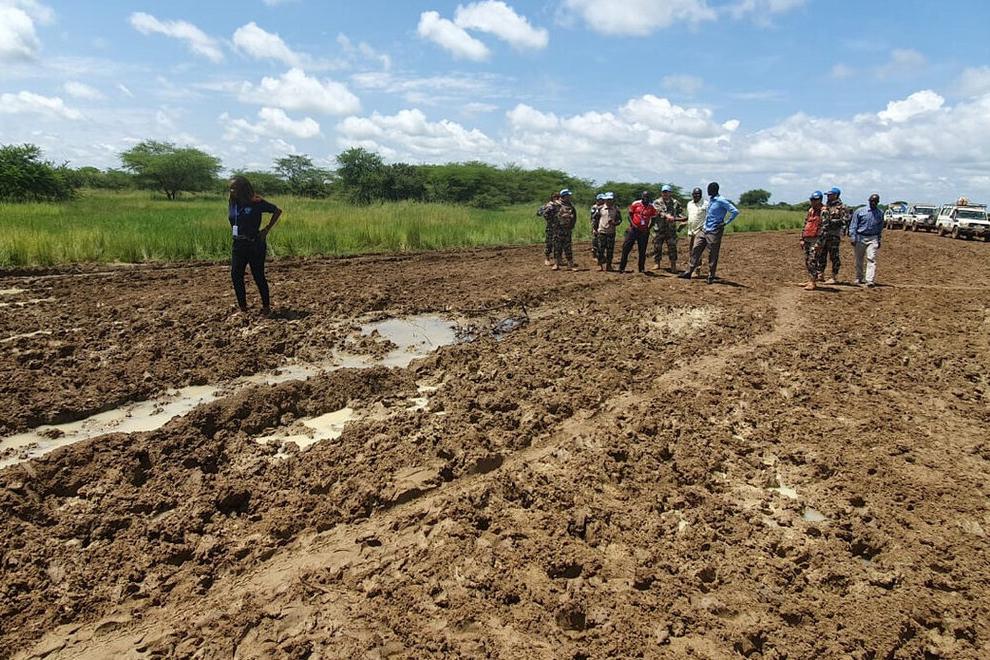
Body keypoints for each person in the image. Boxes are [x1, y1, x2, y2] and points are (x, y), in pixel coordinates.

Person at [228, 175, 282, 315]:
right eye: (230, 188)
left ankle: (266, 306)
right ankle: (243, 308)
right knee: (236, 275)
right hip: (238, 244)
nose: (232, 191)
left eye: (234, 188)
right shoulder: (232, 202)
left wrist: (266, 229)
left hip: (254, 244)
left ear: (243, 188)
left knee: (258, 275)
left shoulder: (256, 202)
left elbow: (277, 211)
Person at [679, 182, 739, 284]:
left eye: (710, 189)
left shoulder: (721, 200)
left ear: (715, 190)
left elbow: (735, 211)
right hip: (705, 229)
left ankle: (711, 275)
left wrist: (725, 223)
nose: (708, 191)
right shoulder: (711, 200)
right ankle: (689, 272)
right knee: (696, 249)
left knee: (712, 253)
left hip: (714, 231)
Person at [848, 193, 884, 288]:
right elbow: (853, 225)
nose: (873, 203)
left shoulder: (880, 213)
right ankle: (859, 277)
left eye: (875, 201)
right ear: (869, 201)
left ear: (878, 202)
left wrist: (879, 239)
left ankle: (869, 280)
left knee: (871, 258)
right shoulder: (860, 211)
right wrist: (853, 237)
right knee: (859, 259)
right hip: (860, 237)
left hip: (873, 238)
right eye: (872, 201)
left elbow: (880, 227)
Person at [618, 191, 658, 274]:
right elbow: (629, 215)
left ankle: (641, 269)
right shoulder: (636, 203)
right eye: (644, 196)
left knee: (642, 251)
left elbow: (654, 218)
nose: (646, 198)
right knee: (626, 248)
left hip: (644, 232)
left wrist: (648, 228)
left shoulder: (651, 207)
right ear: (642, 196)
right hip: (633, 230)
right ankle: (621, 268)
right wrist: (633, 225)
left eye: (647, 197)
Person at [651, 184, 686, 273]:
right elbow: (659, 212)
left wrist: (682, 220)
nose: (665, 194)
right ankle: (657, 263)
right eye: (664, 192)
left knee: (672, 247)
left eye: (667, 192)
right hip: (659, 229)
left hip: (671, 230)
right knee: (657, 246)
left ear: (670, 193)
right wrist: (668, 216)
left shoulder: (675, 203)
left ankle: (673, 265)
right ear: (661, 193)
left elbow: (680, 213)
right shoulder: (657, 202)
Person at [818, 186, 850, 284]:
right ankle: (820, 274)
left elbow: (845, 220)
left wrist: (830, 222)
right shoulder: (825, 207)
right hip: (823, 234)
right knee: (821, 254)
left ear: (836, 195)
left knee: (834, 256)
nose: (828, 196)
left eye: (830, 195)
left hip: (834, 234)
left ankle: (834, 276)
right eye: (828, 195)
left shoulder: (842, 207)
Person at [800, 191, 825, 291]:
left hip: (816, 239)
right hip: (808, 238)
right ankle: (810, 279)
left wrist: (820, 242)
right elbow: (805, 224)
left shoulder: (824, 211)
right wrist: (802, 238)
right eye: (812, 200)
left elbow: (825, 228)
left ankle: (813, 282)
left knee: (813, 260)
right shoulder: (810, 210)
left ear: (820, 200)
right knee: (807, 260)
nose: (813, 202)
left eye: (815, 200)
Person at [550, 189, 578, 271]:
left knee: (568, 248)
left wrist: (571, 225)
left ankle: (570, 265)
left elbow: (574, 217)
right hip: (558, 229)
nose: (569, 197)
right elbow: (548, 215)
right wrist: (554, 224)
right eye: (567, 196)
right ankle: (556, 264)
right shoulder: (555, 205)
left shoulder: (570, 206)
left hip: (567, 230)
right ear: (563, 196)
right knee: (557, 247)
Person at [594, 192, 622, 271]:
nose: (609, 201)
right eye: (607, 199)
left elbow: (620, 220)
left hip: (611, 232)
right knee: (600, 249)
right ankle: (600, 264)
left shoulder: (616, 209)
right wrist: (594, 229)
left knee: (610, 250)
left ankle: (609, 265)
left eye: (610, 199)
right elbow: (595, 219)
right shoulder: (600, 208)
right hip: (602, 231)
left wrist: (614, 223)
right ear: (605, 200)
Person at [685, 187, 708, 276]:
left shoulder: (706, 204)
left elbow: (709, 216)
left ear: (701, 195)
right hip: (690, 231)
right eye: (695, 194)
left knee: (697, 251)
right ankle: (691, 269)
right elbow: (690, 217)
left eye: (698, 194)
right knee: (691, 251)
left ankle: (697, 270)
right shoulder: (689, 204)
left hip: (700, 230)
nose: (696, 195)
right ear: (692, 194)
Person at [537, 192, 561, 266]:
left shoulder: (559, 205)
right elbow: (539, 213)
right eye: (557, 197)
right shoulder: (549, 205)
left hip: (559, 227)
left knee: (558, 244)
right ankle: (547, 259)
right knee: (549, 243)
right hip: (551, 227)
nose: (559, 199)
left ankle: (558, 259)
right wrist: (548, 208)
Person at [590, 193, 605, 261]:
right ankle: (594, 255)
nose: (603, 201)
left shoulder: (604, 207)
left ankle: (601, 255)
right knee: (595, 240)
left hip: (602, 225)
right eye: (601, 199)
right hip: (595, 225)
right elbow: (592, 217)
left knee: (602, 241)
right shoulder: (594, 207)